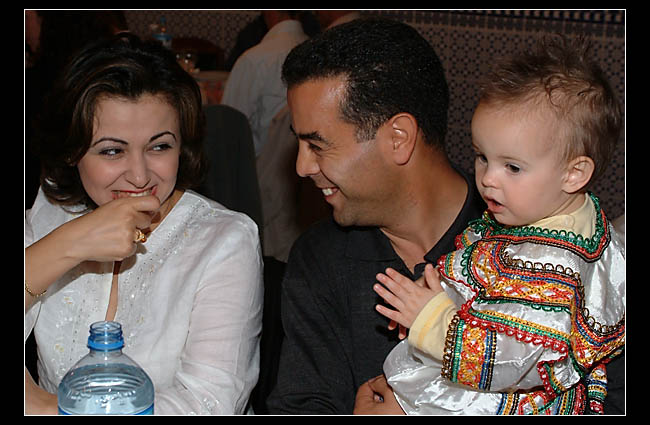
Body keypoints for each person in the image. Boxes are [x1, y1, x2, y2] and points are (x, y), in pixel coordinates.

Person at [373, 35, 625, 414]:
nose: (488, 178)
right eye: (481, 157)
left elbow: (514, 357)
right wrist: (436, 297)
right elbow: (491, 279)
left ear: (574, 174)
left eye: (513, 167)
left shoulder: (556, 264)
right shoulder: (542, 214)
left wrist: (432, 321)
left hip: (512, 397)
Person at [24, 34, 263, 415]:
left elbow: (209, 403)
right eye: (112, 151)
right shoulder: (52, 211)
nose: (139, 176)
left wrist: (50, 409)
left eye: (159, 146)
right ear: (72, 151)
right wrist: (70, 242)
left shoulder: (224, 241)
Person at [266, 18, 486, 414]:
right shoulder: (321, 259)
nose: (302, 167)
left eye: (317, 145)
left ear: (398, 138)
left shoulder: (531, 246)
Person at [221, 10, 309, 156]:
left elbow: (227, 127)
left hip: (257, 165)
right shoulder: (316, 55)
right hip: (304, 160)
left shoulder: (254, 60)